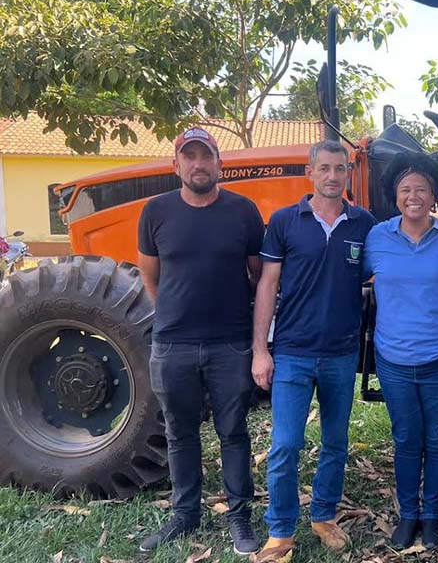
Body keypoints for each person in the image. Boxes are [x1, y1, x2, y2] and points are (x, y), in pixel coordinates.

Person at [137, 127, 265, 555]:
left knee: (234, 432)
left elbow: (257, 275)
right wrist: (175, 315)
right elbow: (150, 277)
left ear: (219, 164)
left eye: (205, 156)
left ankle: (239, 516)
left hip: (230, 343)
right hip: (172, 345)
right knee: (180, 433)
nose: (198, 164)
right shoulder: (156, 212)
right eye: (189, 157)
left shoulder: (243, 211)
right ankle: (185, 513)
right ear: (176, 165)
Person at [252, 140, 376, 563]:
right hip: (293, 352)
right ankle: (280, 529)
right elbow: (267, 285)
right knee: (286, 444)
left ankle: (323, 515)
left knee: (335, 441)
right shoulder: (285, 221)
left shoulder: (363, 223)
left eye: (340, 168)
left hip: (341, 353)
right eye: (324, 168)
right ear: (310, 173)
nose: (332, 176)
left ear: (348, 173)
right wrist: (261, 350)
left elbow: (385, 269)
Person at [363, 152, 438, 551]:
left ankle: (431, 518)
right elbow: (351, 278)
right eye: (405, 189)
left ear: (434, 195)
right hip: (393, 359)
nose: (413, 196)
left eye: (422, 189)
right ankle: (408, 514)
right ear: (395, 196)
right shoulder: (377, 239)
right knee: (407, 438)